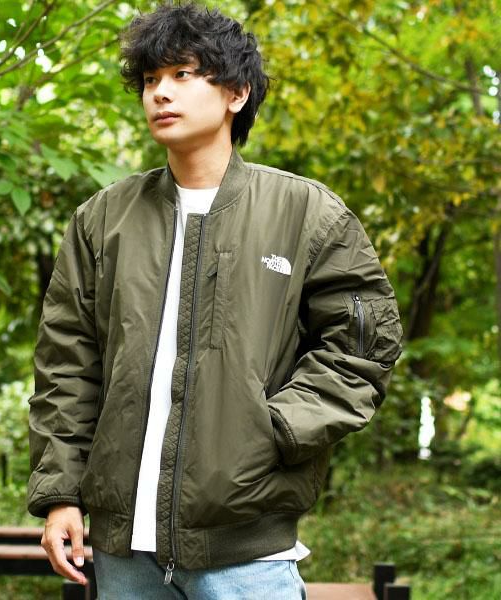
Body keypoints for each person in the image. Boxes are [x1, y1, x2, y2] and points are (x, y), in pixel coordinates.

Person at [27, 3, 403, 599]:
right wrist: (60, 494)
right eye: (150, 79)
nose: (160, 93)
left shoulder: (306, 214)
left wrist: (275, 428)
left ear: (236, 93)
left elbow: (363, 346)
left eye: (182, 74)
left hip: (248, 555)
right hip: (123, 554)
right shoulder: (103, 220)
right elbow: (67, 366)